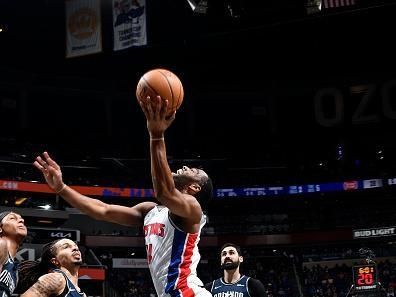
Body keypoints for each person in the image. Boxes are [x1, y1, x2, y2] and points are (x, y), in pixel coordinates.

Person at [33, 95, 213, 297]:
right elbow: (102, 210)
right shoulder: (150, 211)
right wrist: (61, 188)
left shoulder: (192, 210)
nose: (186, 167)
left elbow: (163, 191)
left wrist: (156, 134)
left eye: (194, 171)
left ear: (195, 188)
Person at [17, 238, 86, 296]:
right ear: (55, 261)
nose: (75, 248)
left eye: (76, 246)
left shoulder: (82, 294)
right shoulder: (55, 279)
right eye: (66, 247)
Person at [0, 211, 27, 297]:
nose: (21, 220)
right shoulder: (1, 245)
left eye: (21, 219)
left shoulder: (15, 272)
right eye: (12, 218)